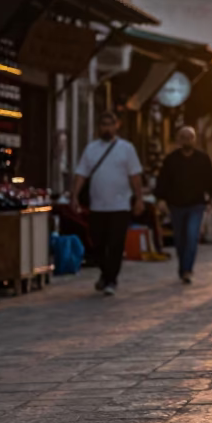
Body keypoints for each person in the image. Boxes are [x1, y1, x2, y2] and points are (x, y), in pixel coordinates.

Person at [70, 111, 144, 297]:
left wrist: (139, 198)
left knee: (116, 243)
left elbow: (135, 176)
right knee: (98, 243)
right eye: (103, 124)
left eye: (110, 124)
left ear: (116, 125)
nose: (107, 128)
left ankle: (111, 279)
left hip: (120, 205)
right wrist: (74, 196)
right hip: (97, 205)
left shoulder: (126, 148)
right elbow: (81, 174)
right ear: (99, 127)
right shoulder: (91, 149)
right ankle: (105, 273)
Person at [154, 126, 212, 284]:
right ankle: (183, 267)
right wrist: (161, 199)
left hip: (196, 204)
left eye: (189, 137)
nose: (187, 140)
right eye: (183, 137)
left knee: (191, 235)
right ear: (178, 140)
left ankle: (188, 269)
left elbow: (211, 179)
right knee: (180, 238)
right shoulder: (171, 160)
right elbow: (163, 181)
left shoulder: (202, 159)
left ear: (194, 139)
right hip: (176, 204)